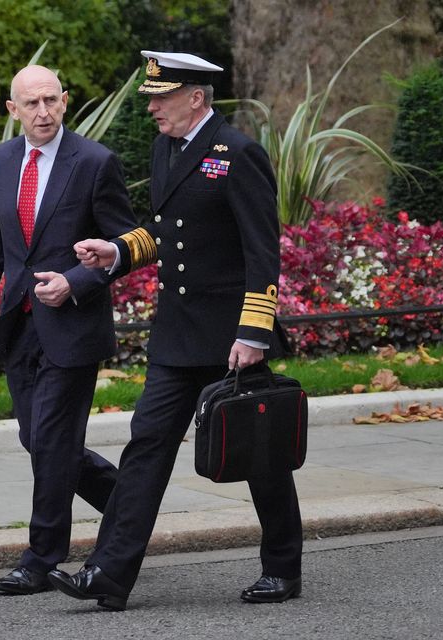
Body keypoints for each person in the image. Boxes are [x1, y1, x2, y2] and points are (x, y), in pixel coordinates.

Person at [48, 51, 303, 611]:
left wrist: (254, 334)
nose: (152, 108)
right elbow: (165, 230)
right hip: (177, 334)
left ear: (196, 97)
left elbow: (263, 253)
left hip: (233, 337)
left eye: (161, 98)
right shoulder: (166, 148)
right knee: (146, 447)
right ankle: (108, 575)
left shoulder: (239, 154)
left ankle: (282, 569)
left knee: (260, 455)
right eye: (150, 98)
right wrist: (116, 251)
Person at [0, 64, 137, 596]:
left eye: (51, 100)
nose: (43, 112)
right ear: (12, 110)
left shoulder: (95, 162)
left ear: (66, 101)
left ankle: (41, 558)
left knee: (52, 440)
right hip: (18, 326)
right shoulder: (1, 161)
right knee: (40, 441)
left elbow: (127, 246)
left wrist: (76, 281)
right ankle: (131, 506)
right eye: (31, 104)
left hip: (73, 326)